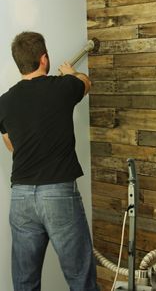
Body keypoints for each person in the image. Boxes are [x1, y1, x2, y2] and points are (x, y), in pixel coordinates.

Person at [0, 31, 99, 291]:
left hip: (20, 198)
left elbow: (11, 144)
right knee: (80, 277)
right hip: (57, 194)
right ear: (44, 58)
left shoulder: (4, 102)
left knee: (25, 281)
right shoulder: (62, 87)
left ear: (18, 62)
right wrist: (69, 72)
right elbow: (86, 82)